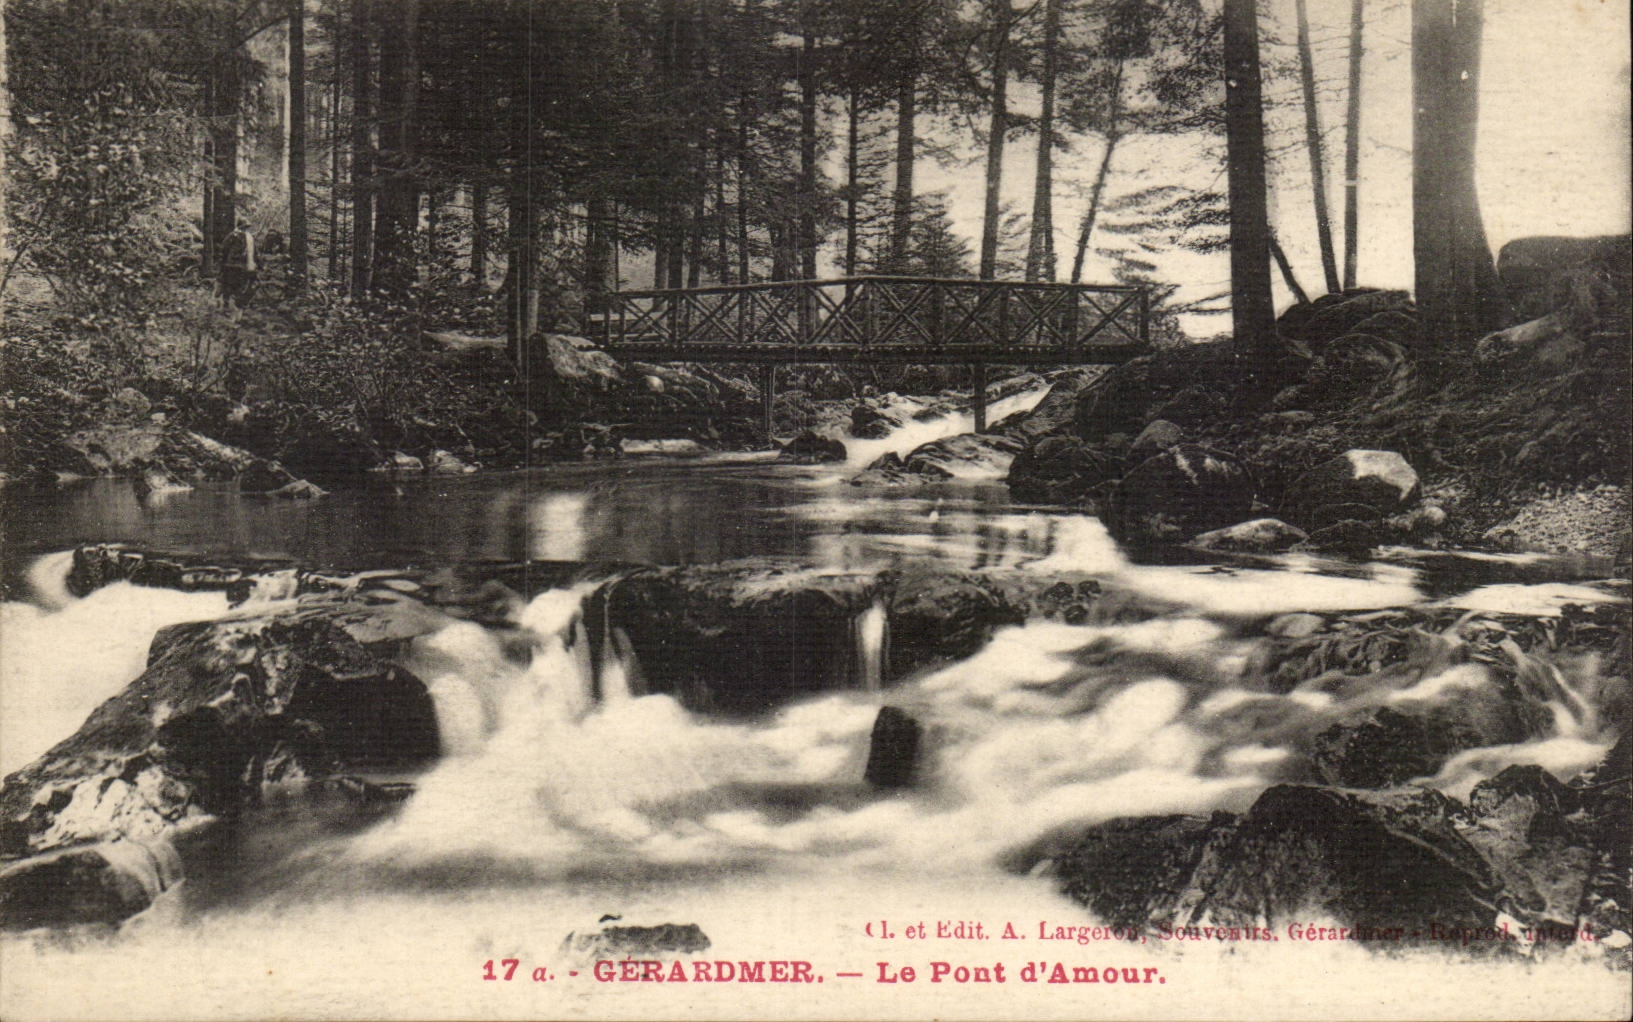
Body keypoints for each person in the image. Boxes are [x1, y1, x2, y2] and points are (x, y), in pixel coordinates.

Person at [219, 220, 258, 309]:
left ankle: (231, 304)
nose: (246, 229)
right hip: (240, 265)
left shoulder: (233, 236)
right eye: (245, 227)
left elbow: (224, 248)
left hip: (234, 265)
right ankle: (235, 304)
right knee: (237, 286)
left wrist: (223, 262)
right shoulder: (248, 237)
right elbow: (255, 253)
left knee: (230, 285)